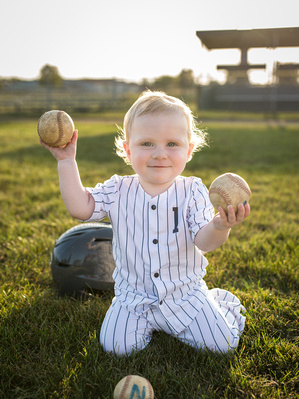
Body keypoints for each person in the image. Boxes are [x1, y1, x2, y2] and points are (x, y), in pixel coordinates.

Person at [40, 90, 250, 357]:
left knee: (223, 346)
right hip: (133, 300)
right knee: (115, 348)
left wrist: (220, 226)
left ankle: (222, 304)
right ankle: (145, 324)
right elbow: (81, 208)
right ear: (128, 150)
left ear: (189, 150)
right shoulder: (119, 189)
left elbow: (203, 241)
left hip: (183, 296)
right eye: (147, 144)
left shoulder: (192, 190)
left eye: (172, 144)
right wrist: (67, 161)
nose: (160, 154)